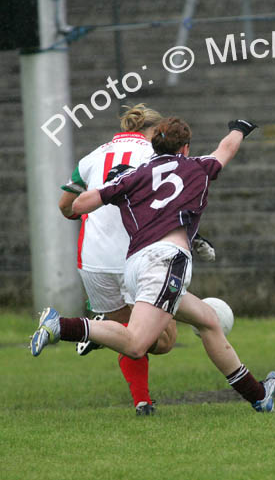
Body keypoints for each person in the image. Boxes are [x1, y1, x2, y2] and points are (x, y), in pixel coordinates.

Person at [31, 116, 275, 413]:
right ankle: (61, 325)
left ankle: (258, 395)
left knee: (208, 321)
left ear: (155, 144)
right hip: (165, 263)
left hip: (136, 265)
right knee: (137, 343)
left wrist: (113, 188)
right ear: (185, 148)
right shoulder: (196, 166)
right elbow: (226, 149)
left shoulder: (136, 175)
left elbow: (80, 204)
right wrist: (240, 128)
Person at [58, 104, 177, 415]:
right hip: (136, 257)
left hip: (93, 260)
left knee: (130, 333)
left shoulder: (93, 156)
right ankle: (96, 331)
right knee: (164, 340)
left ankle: (142, 402)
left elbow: (66, 206)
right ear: (153, 132)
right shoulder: (158, 156)